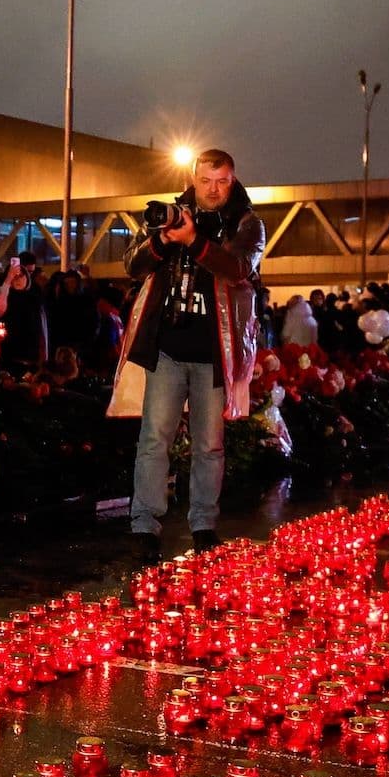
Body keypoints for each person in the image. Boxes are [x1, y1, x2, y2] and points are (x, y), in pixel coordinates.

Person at [109, 149, 262, 563]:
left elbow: (239, 269)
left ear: (233, 180)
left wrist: (194, 241)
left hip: (215, 350)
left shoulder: (246, 223)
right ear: (193, 178)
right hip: (168, 348)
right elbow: (132, 265)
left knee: (209, 445)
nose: (213, 189)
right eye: (206, 180)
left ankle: (203, 525)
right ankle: (144, 525)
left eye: (222, 181)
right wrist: (162, 238)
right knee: (153, 439)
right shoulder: (170, 215)